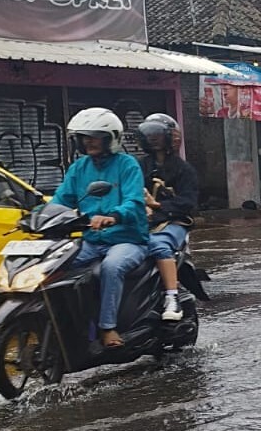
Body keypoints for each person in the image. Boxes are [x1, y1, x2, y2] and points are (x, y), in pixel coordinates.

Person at [53, 108, 149, 349]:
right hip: (91, 240)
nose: (89, 141)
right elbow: (60, 201)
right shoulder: (78, 168)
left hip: (127, 239)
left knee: (112, 266)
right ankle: (62, 324)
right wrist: (36, 217)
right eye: (84, 136)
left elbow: (134, 201)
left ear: (111, 138)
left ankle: (108, 327)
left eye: (95, 136)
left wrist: (114, 216)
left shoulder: (127, 165)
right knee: (53, 264)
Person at [137, 113, 198, 323]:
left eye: (157, 134)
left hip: (173, 221)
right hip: (141, 221)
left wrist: (158, 206)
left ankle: (172, 296)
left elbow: (188, 202)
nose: (153, 138)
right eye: (148, 134)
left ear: (171, 137)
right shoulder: (139, 166)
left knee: (158, 245)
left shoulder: (184, 169)